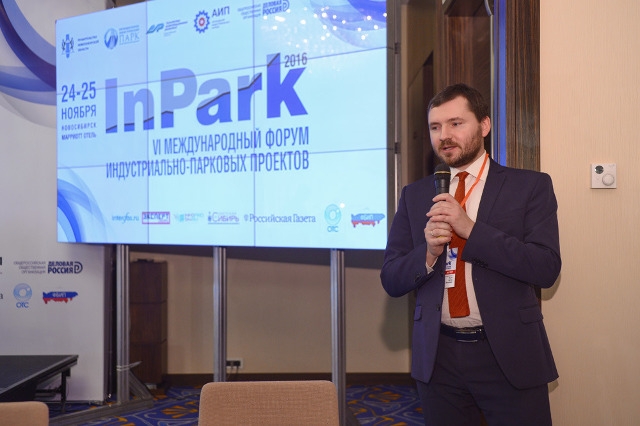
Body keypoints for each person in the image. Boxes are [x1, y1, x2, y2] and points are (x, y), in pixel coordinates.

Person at [380, 83, 561, 425]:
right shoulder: (414, 195)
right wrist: (428, 253)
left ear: (484, 125)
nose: (444, 136)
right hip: (439, 357)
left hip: (508, 352)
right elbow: (391, 278)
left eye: (456, 123)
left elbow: (546, 267)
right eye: (435, 127)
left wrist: (471, 230)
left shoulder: (529, 186)